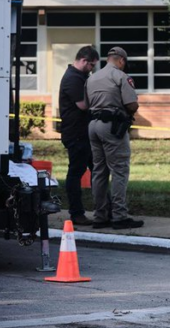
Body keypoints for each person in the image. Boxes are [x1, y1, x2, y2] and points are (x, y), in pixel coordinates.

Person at [85, 47, 143, 230]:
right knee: (119, 170)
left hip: (93, 126)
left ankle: (100, 216)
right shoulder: (120, 76)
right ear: (121, 61)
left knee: (99, 171)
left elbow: (86, 104)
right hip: (112, 127)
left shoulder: (92, 77)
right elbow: (132, 105)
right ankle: (119, 216)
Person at [58, 46, 100, 226]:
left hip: (84, 133)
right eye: (91, 65)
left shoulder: (81, 76)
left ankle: (104, 208)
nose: (92, 69)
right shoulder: (72, 78)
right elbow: (83, 105)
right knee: (76, 172)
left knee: (97, 170)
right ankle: (76, 213)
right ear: (83, 60)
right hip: (76, 134)